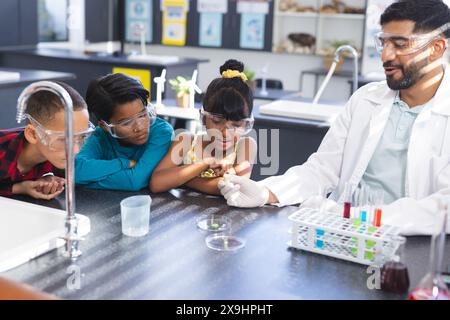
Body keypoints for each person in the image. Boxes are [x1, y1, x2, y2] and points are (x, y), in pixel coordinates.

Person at [219, 0, 450, 235]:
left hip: (408, 246)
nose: (386, 56)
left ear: (436, 48)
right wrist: (266, 192)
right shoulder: (365, 99)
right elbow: (322, 169)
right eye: (383, 42)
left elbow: (444, 208)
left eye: (400, 44)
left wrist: (356, 216)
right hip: (341, 236)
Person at [150, 59, 257, 195]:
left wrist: (185, 178)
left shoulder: (246, 145)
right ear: (204, 118)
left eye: (236, 125)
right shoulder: (186, 141)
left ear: (246, 124)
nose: (225, 133)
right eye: (217, 121)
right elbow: (157, 183)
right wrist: (204, 163)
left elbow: (235, 189)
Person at [75, 73, 173, 191]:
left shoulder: (161, 133)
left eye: (142, 115)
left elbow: (134, 181)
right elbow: (75, 171)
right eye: (126, 123)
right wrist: (124, 163)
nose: (139, 127)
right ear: (104, 126)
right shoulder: (100, 136)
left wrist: (86, 181)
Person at [0, 82, 92, 200]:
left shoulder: (51, 155)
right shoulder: (3, 153)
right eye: (63, 139)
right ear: (33, 134)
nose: (76, 150)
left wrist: (23, 186)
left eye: (82, 136)